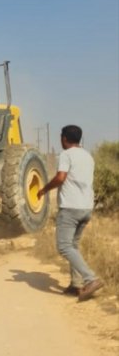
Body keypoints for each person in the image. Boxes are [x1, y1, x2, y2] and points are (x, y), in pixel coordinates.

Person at [37, 125, 102, 301]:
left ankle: (91, 279)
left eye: (61, 137)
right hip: (86, 207)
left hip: (71, 208)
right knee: (73, 246)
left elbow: (60, 177)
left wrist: (44, 190)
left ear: (64, 138)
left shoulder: (66, 155)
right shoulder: (88, 156)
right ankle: (76, 285)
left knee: (64, 246)